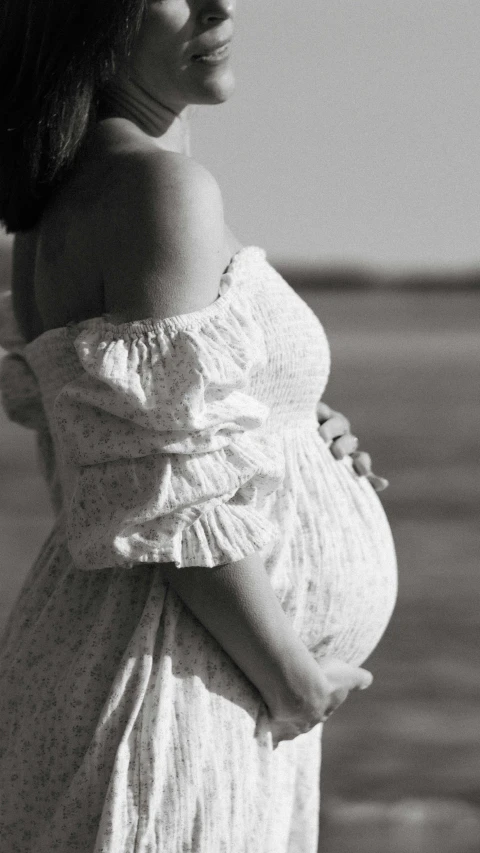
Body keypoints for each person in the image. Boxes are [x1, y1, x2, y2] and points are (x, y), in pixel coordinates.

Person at [0, 0, 397, 850]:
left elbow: (92, 460)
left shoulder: (75, 198)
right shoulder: (154, 188)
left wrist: (292, 433)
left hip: (184, 670)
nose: (222, 5)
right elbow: (160, 486)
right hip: (178, 681)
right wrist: (293, 681)